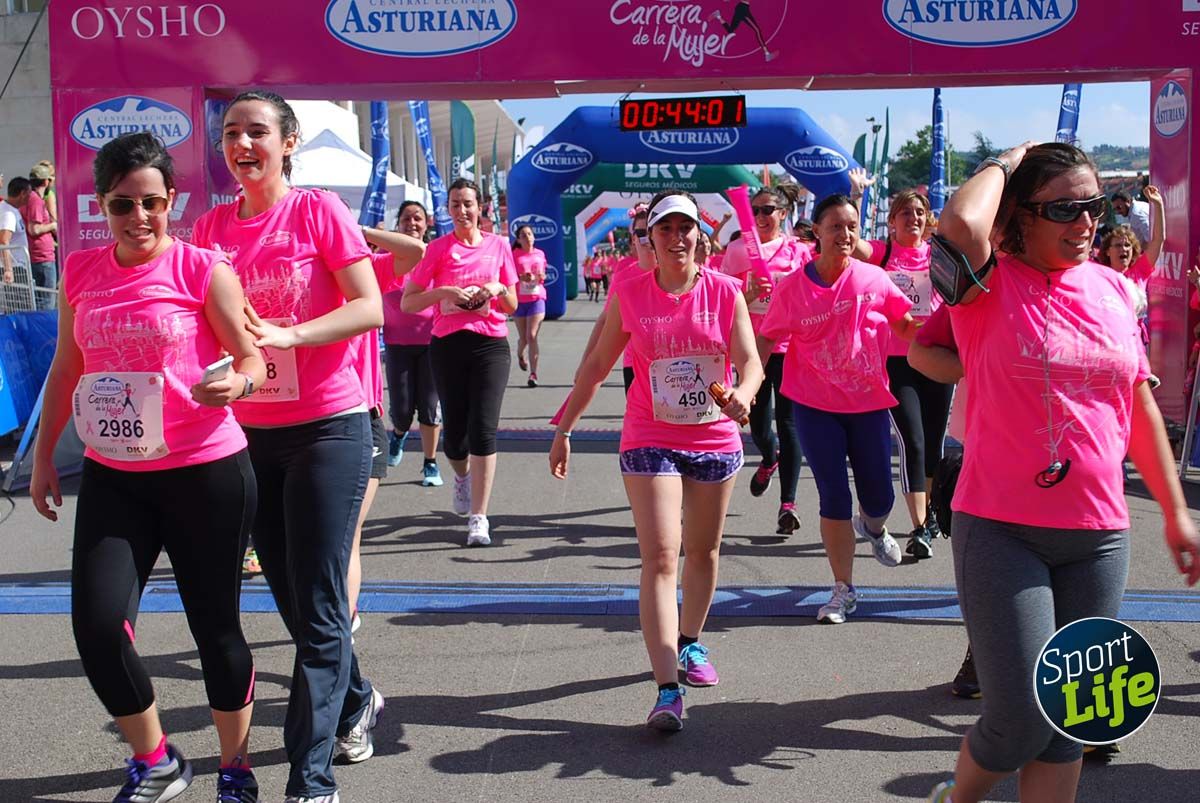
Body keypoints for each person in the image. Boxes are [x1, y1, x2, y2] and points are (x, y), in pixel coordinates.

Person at [927, 142, 1200, 803]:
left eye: (1096, 206)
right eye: (1066, 209)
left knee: (1072, 718)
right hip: (1001, 528)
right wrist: (1007, 159)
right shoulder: (983, 283)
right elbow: (960, 225)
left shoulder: (1112, 289)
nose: (1086, 223)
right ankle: (956, 798)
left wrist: (1173, 511)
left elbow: (1135, 405)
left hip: (1099, 534)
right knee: (1017, 717)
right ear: (1020, 214)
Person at [29, 132, 267, 803]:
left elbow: (251, 359)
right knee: (100, 627)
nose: (139, 217)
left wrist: (239, 386)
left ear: (173, 201)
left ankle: (235, 767)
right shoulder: (80, 271)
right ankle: (156, 759)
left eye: (154, 202)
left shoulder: (201, 268)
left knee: (214, 627)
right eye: (122, 204)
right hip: (114, 473)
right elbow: (68, 366)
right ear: (101, 205)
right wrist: (45, 456)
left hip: (205, 471)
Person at [192, 90, 385, 803]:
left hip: (330, 427)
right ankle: (358, 696)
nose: (242, 144)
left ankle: (311, 778)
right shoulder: (209, 229)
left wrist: (291, 335)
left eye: (257, 131)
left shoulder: (316, 212)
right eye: (231, 133)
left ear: (289, 141)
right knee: (296, 603)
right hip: (249, 435)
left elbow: (367, 304)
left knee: (321, 599)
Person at [550, 189, 763, 730]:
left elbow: (750, 363)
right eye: (664, 230)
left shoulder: (726, 292)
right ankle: (667, 689)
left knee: (705, 552)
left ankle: (689, 642)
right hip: (649, 434)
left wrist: (747, 393)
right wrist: (565, 428)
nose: (675, 238)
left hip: (714, 436)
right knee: (662, 557)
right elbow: (598, 364)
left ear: (700, 236)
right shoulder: (629, 292)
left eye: (684, 228)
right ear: (650, 238)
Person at [757, 193, 919, 624]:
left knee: (879, 497)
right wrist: (750, 382)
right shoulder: (793, 287)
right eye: (835, 227)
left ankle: (874, 527)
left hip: (867, 402)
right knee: (833, 493)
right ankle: (843, 588)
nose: (845, 234)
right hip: (814, 403)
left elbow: (905, 323)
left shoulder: (874, 278)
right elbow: (767, 337)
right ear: (817, 232)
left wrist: (942, 328)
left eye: (852, 227)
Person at [402, 177, 517, 547]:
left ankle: (479, 518)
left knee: (483, 428)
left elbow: (513, 303)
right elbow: (409, 302)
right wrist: (445, 292)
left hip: (490, 346)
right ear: (448, 209)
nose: (462, 211)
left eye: (468, 204)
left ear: (481, 206)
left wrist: (497, 289)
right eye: (455, 205)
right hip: (448, 345)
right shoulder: (437, 249)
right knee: (454, 436)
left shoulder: (499, 246)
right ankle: (462, 477)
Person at [849, 184, 952, 559]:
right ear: (892, 222)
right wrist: (858, 199)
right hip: (896, 359)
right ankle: (921, 526)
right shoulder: (884, 253)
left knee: (935, 445)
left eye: (919, 214)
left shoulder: (938, 254)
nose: (914, 219)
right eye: (906, 213)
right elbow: (854, 242)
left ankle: (931, 516)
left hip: (936, 354)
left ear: (928, 222)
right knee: (913, 440)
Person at [723, 184, 813, 535]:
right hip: (753, 349)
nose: (761, 216)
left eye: (768, 210)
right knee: (759, 426)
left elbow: (813, 294)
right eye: (756, 210)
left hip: (792, 347)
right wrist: (748, 294)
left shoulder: (799, 251)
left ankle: (787, 505)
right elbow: (725, 301)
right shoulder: (737, 250)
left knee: (790, 425)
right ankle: (769, 458)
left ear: (784, 213)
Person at [370, 201, 444, 482]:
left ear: (427, 224)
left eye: (418, 219)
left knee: (428, 406)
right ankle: (399, 435)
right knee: (401, 410)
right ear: (398, 224)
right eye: (406, 219)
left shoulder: (436, 255)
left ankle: (430, 463)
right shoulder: (388, 257)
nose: (412, 224)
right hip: (397, 344)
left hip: (432, 343)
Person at [512, 223, 548, 387]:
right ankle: (520, 354)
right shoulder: (514, 255)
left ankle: (533, 374)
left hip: (536, 298)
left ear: (534, 237)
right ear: (518, 240)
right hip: (519, 300)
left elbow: (543, 275)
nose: (527, 237)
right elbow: (509, 276)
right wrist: (521, 277)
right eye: (524, 235)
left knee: (532, 336)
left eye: (530, 234)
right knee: (524, 339)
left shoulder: (540, 254)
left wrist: (540, 276)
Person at [23, 162, 58, 309]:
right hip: (42, 257)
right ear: (46, 181)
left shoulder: (29, 198)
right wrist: (53, 225)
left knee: (40, 301)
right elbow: (34, 229)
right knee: (46, 302)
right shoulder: (36, 200)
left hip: (37, 256)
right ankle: (45, 332)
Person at [0, 177, 33, 309]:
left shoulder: (11, 210)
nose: (30, 197)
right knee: (20, 310)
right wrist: (9, 270)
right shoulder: (8, 213)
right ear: (22, 193)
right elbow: (3, 240)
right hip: (15, 270)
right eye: (29, 194)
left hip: (19, 267)